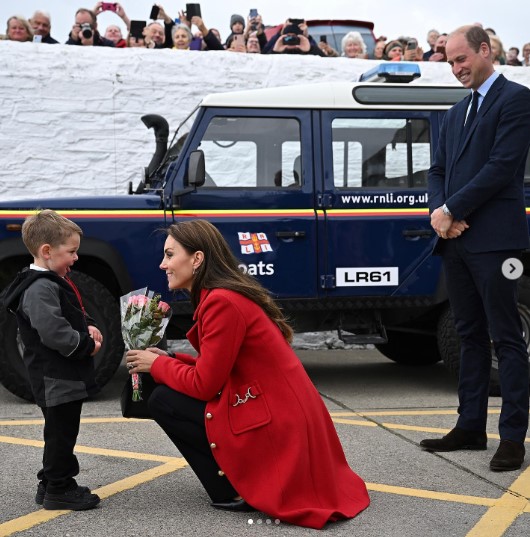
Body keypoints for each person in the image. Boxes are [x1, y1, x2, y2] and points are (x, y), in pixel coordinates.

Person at [125, 220, 370, 529]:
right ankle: (233, 480)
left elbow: (204, 385)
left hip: (276, 421)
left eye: (170, 255)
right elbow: (219, 367)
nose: (163, 264)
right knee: (163, 390)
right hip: (279, 410)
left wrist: (158, 366)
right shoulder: (222, 296)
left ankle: (229, 489)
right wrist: (171, 359)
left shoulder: (221, 302)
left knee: (162, 399)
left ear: (197, 259)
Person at [423, 25, 530, 472]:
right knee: (468, 336)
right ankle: (469, 427)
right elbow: (437, 170)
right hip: (456, 242)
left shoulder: (516, 100)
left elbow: (502, 166)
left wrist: (452, 208)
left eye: (462, 59)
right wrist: (438, 212)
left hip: (496, 242)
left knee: (506, 337)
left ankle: (512, 439)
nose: (456, 68)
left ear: (486, 50)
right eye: (449, 62)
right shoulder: (453, 114)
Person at [1, 210, 102, 510]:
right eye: (71, 251)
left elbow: (69, 310)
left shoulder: (49, 279)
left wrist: (88, 324)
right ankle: (59, 488)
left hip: (59, 377)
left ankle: (50, 483)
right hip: (56, 377)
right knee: (61, 433)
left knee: (59, 431)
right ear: (47, 251)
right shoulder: (39, 287)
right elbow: (54, 332)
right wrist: (85, 345)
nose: (76, 258)